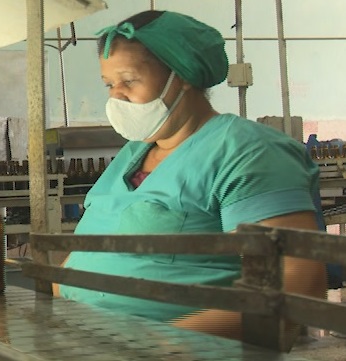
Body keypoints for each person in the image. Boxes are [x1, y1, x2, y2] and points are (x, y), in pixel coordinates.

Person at [55, 10, 327, 340]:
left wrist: (161, 346)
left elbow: (296, 286)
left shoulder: (245, 151)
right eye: (109, 84)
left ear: (181, 74)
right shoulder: (133, 153)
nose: (115, 96)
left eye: (129, 81)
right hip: (83, 338)